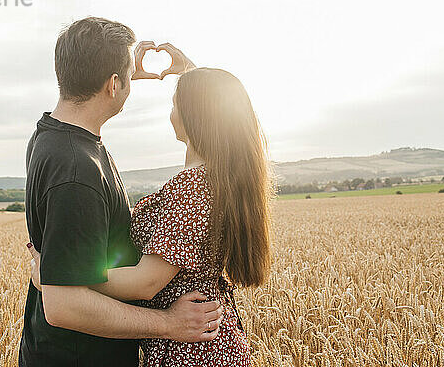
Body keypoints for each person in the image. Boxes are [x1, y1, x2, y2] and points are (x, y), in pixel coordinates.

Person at [28, 40, 273, 365]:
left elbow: (145, 282)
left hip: (191, 348)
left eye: (175, 104)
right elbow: (217, 104)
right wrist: (190, 72)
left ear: (195, 116)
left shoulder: (192, 188)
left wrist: (59, 277)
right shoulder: (217, 175)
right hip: (207, 340)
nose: (171, 112)